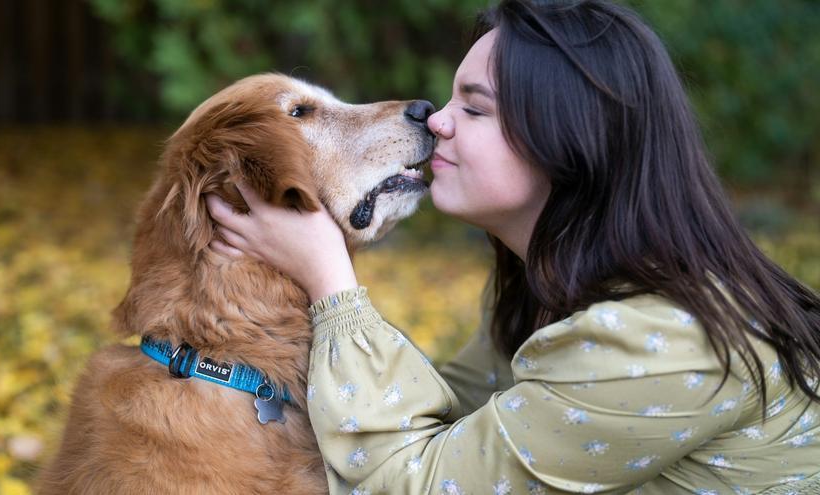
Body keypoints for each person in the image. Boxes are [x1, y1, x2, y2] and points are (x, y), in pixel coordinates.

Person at [206, 0, 820, 493]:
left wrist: (330, 283)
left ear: (568, 142)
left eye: (474, 109)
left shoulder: (664, 340)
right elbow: (450, 423)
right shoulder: (551, 283)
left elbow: (407, 481)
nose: (436, 120)